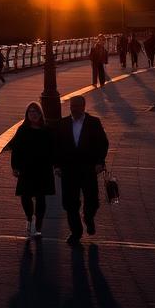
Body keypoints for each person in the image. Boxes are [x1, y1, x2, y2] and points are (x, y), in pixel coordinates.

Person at [54, 95, 110, 245]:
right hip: (68, 170)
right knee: (70, 203)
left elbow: (103, 144)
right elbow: (56, 147)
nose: (74, 108)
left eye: (78, 106)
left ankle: (88, 217)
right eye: (72, 106)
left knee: (92, 201)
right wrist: (57, 165)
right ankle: (76, 232)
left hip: (88, 169)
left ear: (84, 107)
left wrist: (100, 162)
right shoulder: (62, 124)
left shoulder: (94, 123)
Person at [10, 102, 55, 238]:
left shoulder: (47, 130)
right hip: (26, 168)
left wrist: (54, 164)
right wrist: (15, 167)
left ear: (40, 114)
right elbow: (15, 149)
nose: (33, 114)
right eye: (30, 112)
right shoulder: (22, 130)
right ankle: (29, 218)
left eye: (35, 112)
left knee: (41, 198)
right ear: (27, 115)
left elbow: (53, 148)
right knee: (25, 197)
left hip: (43, 169)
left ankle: (39, 224)